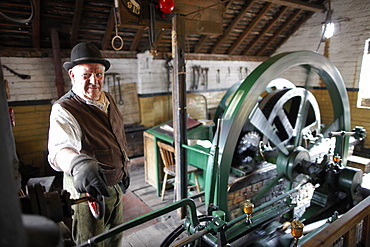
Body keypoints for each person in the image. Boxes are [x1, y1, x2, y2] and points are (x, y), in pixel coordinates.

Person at [48, 42, 130, 246]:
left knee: (115, 237)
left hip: (116, 185)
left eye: (99, 74)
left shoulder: (108, 99)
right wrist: (78, 164)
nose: (94, 81)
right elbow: (59, 150)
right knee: (91, 243)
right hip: (87, 194)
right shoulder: (64, 109)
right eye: (86, 75)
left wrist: (124, 170)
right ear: (72, 75)